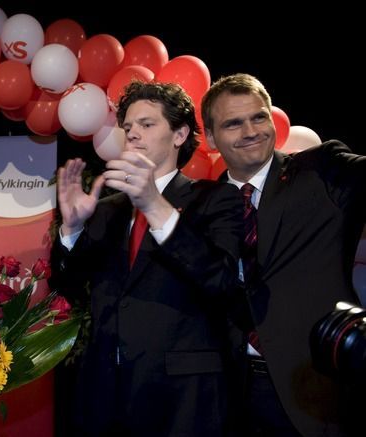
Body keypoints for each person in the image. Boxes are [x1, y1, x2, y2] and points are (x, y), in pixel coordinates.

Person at [49, 81, 244, 436]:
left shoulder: (215, 199)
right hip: (105, 396)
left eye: (147, 124)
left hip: (183, 402)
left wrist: (154, 205)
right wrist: (72, 230)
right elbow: (67, 289)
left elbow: (222, 282)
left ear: (180, 134)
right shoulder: (106, 210)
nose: (133, 134)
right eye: (127, 127)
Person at [202, 73, 366, 437]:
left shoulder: (322, 169)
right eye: (233, 123)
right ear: (211, 138)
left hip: (316, 392)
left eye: (258, 117)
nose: (250, 131)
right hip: (230, 396)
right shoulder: (202, 206)